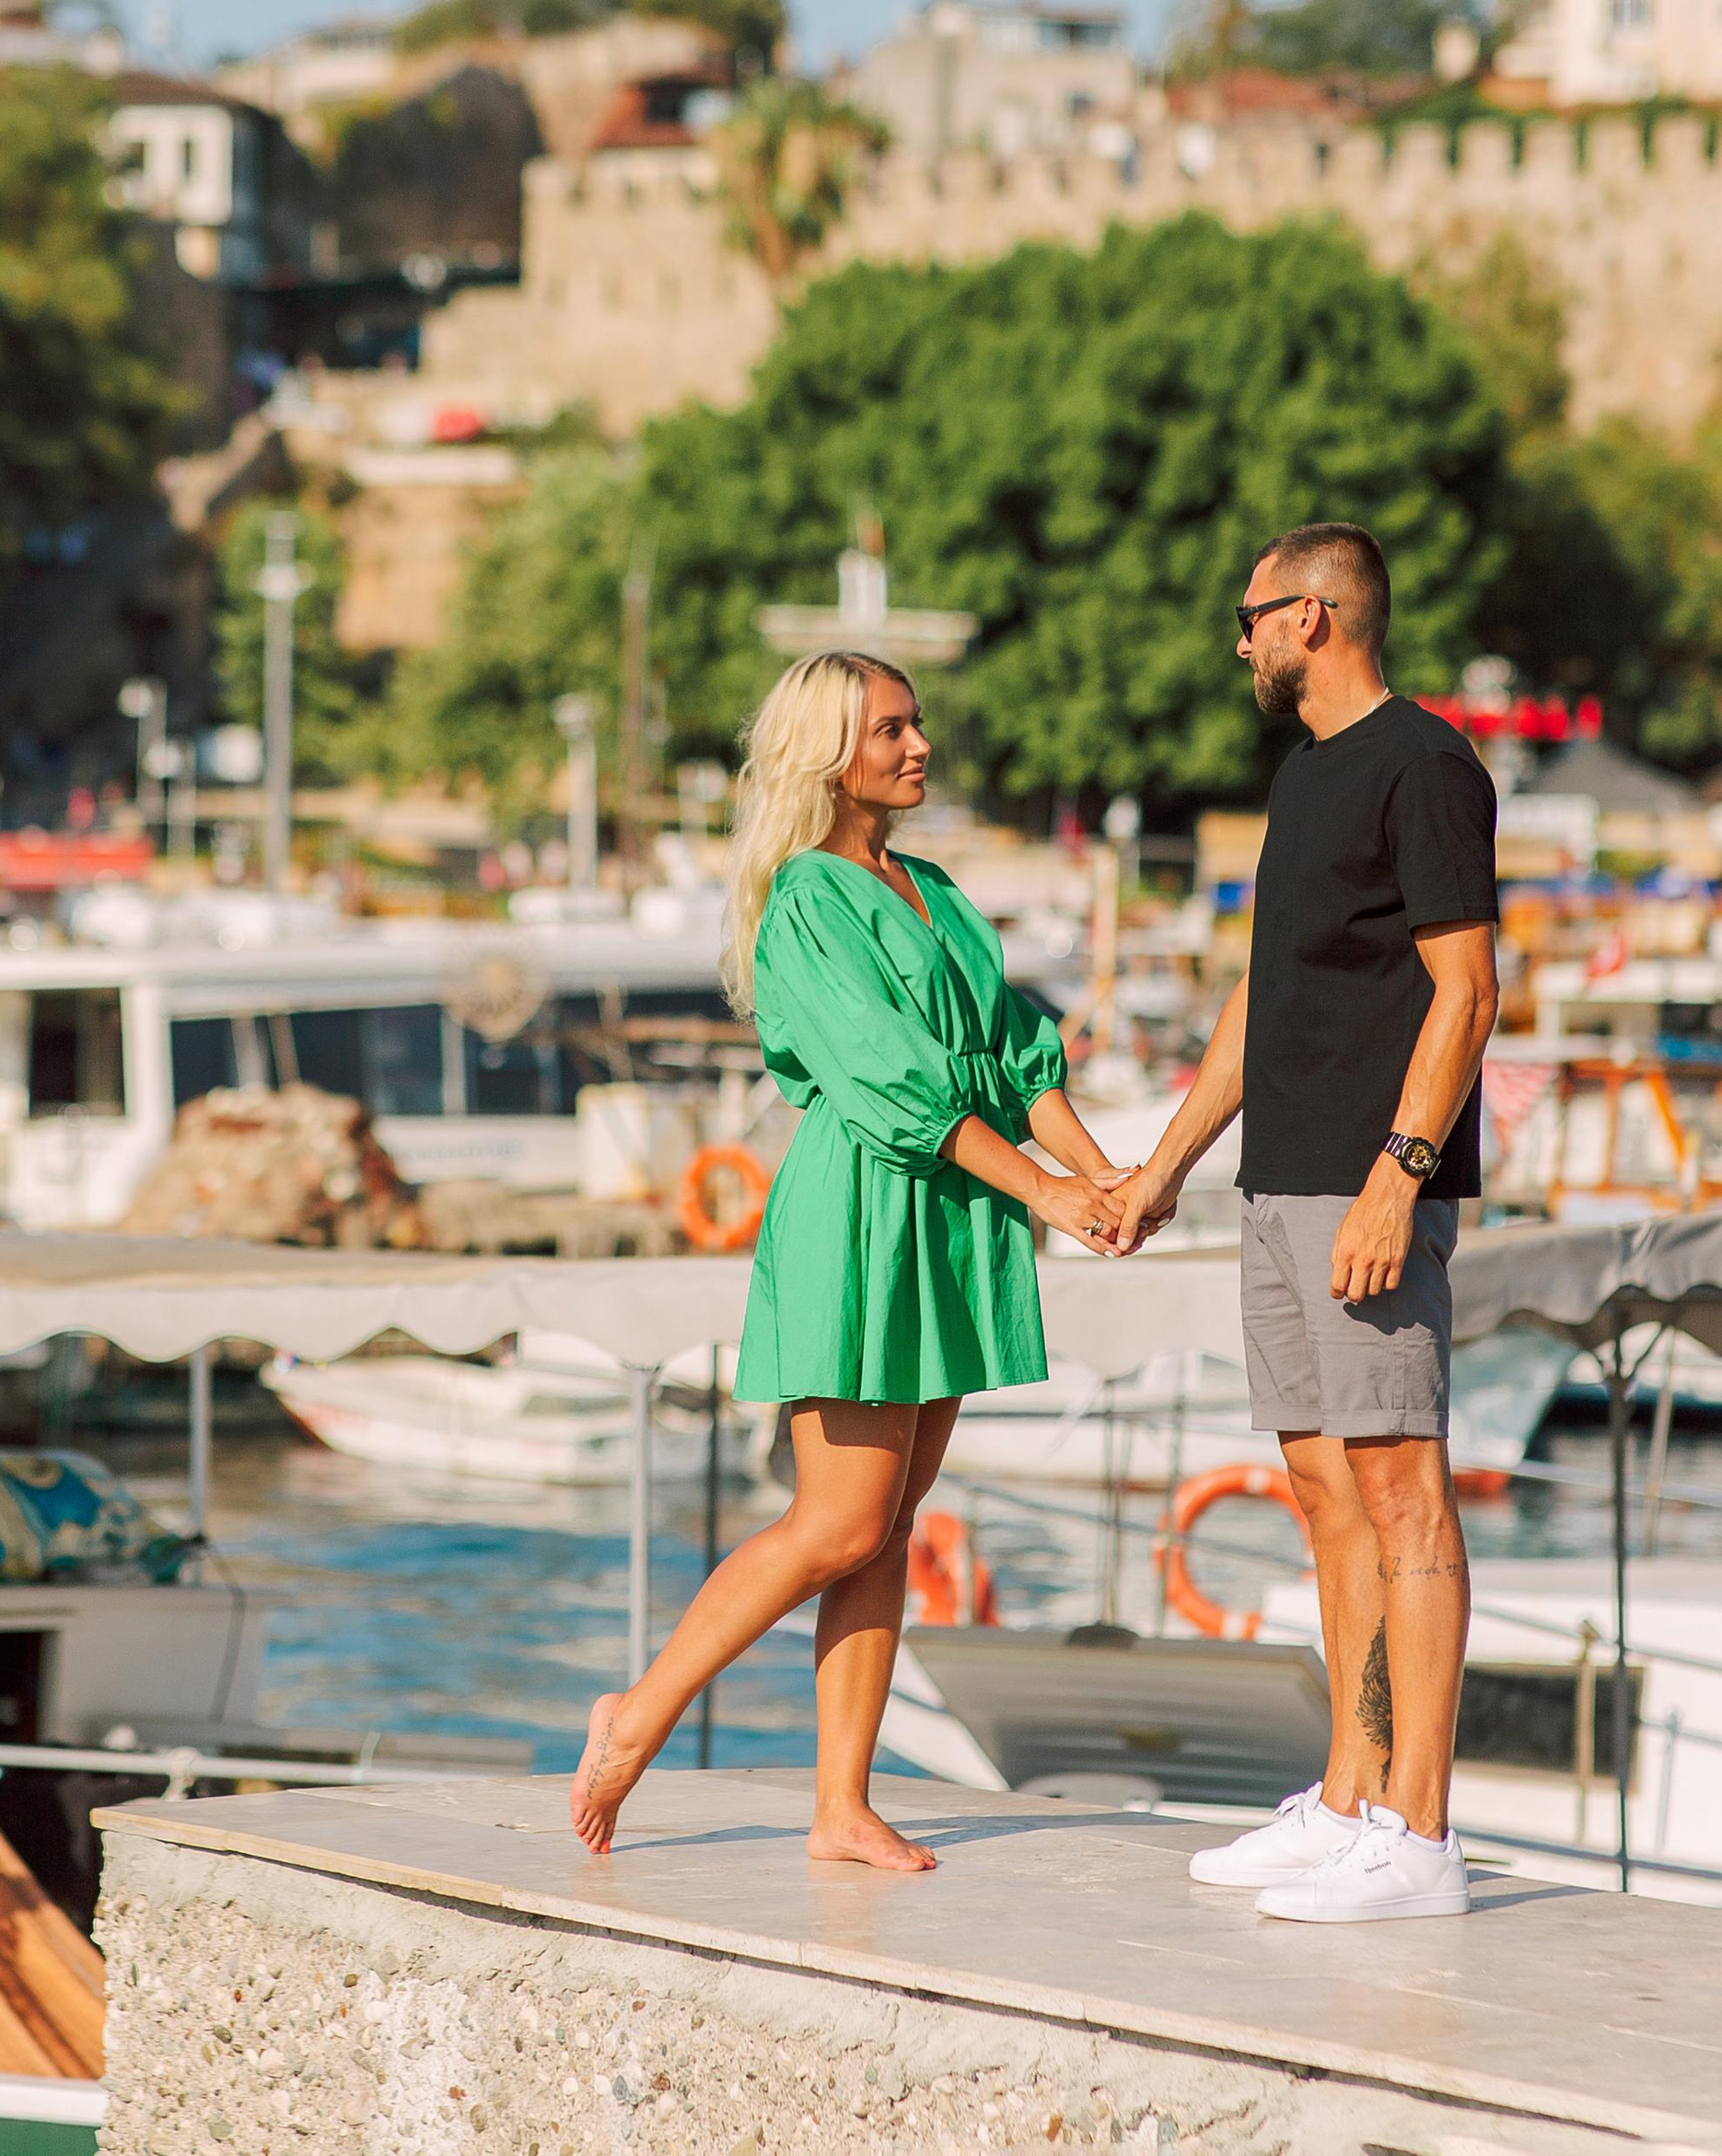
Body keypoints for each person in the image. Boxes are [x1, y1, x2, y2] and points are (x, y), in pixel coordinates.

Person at [570, 650, 1127, 1866]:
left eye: (916, 724)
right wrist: (1046, 1190)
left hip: (949, 1210)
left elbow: (1016, 1052)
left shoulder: (933, 889)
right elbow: (894, 1083)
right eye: (891, 730)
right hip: (866, 1206)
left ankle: (841, 1806)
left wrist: (1103, 1181)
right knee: (837, 1522)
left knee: (889, 1525)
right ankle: (639, 1713)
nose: (919, 746)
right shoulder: (808, 900)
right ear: (829, 753)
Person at [1105, 523, 1499, 1924]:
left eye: (1254, 615)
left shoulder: (1426, 764)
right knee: (1327, 1491)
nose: (1242, 641)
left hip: (1365, 1185)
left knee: (1404, 1492)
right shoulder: (1305, 775)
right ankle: (1348, 1801)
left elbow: (1468, 990)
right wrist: (1165, 1168)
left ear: (1315, 616)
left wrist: (1400, 1177)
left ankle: (1422, 1837)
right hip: (1278, 1183)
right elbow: (1262, 997)